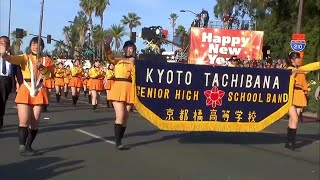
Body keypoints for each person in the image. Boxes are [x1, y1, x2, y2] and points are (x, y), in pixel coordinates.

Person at [0, 37, 54, 156]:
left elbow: (49, 76)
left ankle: (29, 146)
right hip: (26, 89)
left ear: (42, 47)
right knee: (23, 120)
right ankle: (22, 146)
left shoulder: (47, 60)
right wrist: (4, 54)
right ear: (30, 46)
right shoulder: (25, 57)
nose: (36, 47)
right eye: (34, 44)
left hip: (39, 90)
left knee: (34, 122)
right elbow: (13, 59)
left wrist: (42, 67)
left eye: (39, 45)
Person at [104, 40, 135, 150]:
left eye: (131, 48)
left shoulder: (135, 61)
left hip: (130, 88)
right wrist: (107, 45)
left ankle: (120, 139)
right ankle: (118, 143)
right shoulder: (118, 59)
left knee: (126, 117)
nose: (129, 50)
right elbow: (109, 56)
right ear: (123, 49)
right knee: (120, 115)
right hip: (118, 87)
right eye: (127, 47)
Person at [285, 52, 320, 150]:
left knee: (293, 120)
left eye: (299, 58)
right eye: (297, 58)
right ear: (292, 60)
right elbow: (289, 79)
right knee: (295, 118)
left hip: (300, 96)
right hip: (291, 96)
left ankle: (289, 142)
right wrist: (294, 73)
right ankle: (291, 142)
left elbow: (311, 67)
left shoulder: (300, 70)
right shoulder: (290, 69)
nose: (299, 60)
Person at [0, 36, 13, 132]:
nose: (2, 44)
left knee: (2, 102)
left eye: (5, 42)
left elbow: (17, 71)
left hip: (6, 81)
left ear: (8, 45)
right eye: (0, 42)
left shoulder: (12, 57)